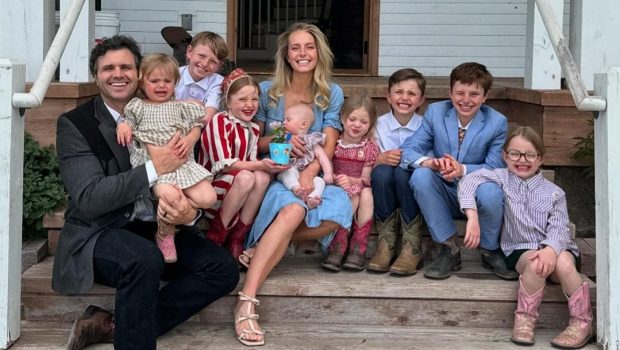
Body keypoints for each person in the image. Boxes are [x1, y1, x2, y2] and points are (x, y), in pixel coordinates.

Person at [51, 35, 239, 350]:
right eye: (108, 68)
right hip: (100, 232)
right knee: (144, 259)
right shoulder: (75, 124)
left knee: (222, 268)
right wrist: (155, 167)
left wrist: (189, 214)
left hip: (154, 224)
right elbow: (91, 197)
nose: (118, 73)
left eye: (126, 66)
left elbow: (187, 174)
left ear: (139, 72)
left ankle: (111, 324)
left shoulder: (169, 110)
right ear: (96, 76)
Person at [232, 22, 351, 346]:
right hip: (278, 174)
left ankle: (263, 244)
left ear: (318, 52)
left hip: (312, 173)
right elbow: (254, 141)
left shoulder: (331, 92)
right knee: (293, 212)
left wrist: (310, 172)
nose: (302, 53)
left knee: (340, 210)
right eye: (295, 47)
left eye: (309, 47)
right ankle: (247, 299)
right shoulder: (269, 90)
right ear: (286, 53)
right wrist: (283, 139)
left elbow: (328, 143)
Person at [458, 126, 593, 348]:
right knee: (534, 261)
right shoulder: (501, 177)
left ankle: (582, 322)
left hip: (558, 250)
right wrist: (472, 216)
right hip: (521, 249)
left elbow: (560, 228)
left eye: (530, 155)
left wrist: (550, 249)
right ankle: (525, 320)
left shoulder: (554, 192)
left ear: (540, 159)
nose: (522, 160)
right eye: (515, 154)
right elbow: (468, 182)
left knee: (565, 262)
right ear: (505, 156)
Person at [400, 62, 517, 280]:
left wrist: (462, 169)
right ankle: (448, 248)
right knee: (421, 175)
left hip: (477, 193)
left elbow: (495, 167)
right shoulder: (436, 112)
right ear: (450, 93)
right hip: (444, 191)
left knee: (492, 191)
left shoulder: (496, 122)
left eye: (474, 94)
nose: (466, 100)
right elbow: (409, 149)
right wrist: (430, 162)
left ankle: (490, 250)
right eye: (460, 93)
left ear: (485, 97)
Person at [117, 53, 216, 263]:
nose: (161, 86)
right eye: (154, 81)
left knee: (209, 198)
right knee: (171, 197)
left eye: (167, 81)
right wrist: (124, 126)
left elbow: (197, 125)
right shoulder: (138, 106)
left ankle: (176, 211)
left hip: (183, 165)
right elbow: (126, 120)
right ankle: (165, 232)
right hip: (156, 168)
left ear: (175, 83)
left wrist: (190, 138)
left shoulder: (181, 106)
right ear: (143, 82)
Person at [198, 68, 286, 262]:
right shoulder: (220, 121)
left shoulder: (254, 129)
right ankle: (216, 235)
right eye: (242, 99)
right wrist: (261, 165)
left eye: (254, 99)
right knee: (248, 175)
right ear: (228, 102)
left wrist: (267, 167)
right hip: (211, 189)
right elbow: (226, 166)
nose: (249, 105)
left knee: (262, 176)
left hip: (239, 192)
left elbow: (254, 164)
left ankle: (237, 236)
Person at [367, 68, 427, 276]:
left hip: (410, 188)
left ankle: (412, 246)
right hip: (384, 186)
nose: (404, 98)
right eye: (399, 92)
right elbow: (366, 155)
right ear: (388, 97)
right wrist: (378, 159)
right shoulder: (377, 125)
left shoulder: (425, 126)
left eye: (412, 94)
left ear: (421, 100)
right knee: (382, 172)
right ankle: (386, 243)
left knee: (404, 173)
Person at [321, 94, 379, 272]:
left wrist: (351, 180)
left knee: (366, 193)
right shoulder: (335, 143)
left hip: (358, 185)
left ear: (370, 125)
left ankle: (358, 246)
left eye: (363, 122)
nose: (357, 125)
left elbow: (366, 179)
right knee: (352, 196)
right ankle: (339, 243)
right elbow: (327, 168)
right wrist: (339, 180)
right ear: (342, 118)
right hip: (335, 186)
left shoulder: (369, 147)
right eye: (352, 119)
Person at [276, 103, 334, 209]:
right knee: (286, 172)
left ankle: (312, 198)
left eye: (288, 120)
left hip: (309, 175)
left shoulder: (312, 140)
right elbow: (279, 157)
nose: (283, 123)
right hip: (292, 170)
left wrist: (328, 173)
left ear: (303, 124)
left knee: (320, 181)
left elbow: (322, 156)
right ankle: (296, 188)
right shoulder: (285, 138)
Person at [174, 31, 228, 125]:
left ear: (219, 65)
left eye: (213, 61)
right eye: (202, 56)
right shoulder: (174, 75)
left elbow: (207, 118)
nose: (205, 64)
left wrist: (174, 104)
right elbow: (158, 105)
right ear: (189, 52)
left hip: (203, 133)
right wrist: (188, 103)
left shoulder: (218, 83)